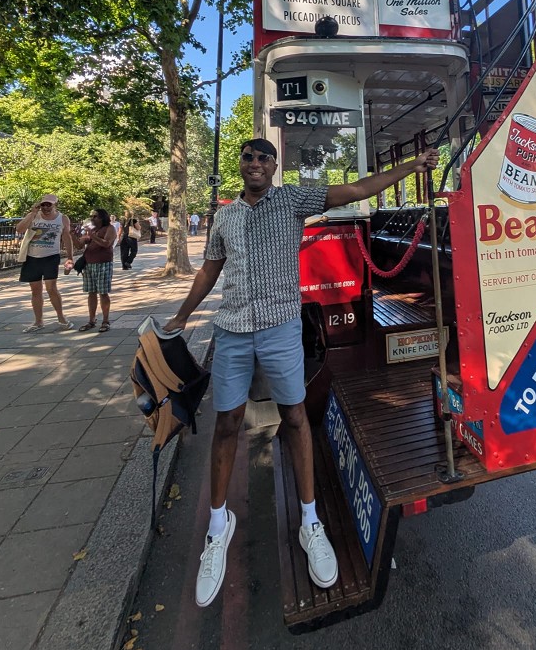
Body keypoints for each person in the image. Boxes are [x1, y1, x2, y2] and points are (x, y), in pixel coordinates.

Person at [163, 137, 440, 608]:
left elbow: (357, 190)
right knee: (227, 422)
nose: (255, 163)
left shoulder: (292, 200)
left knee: (294, 417)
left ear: (274, 166)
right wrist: (182, 315)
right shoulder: (224, 217)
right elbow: (209, 270)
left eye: (263, 158)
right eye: (247, 157)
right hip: (233, 330)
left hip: (281, 329)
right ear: (241, 164)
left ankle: (310, 521)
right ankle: (218, 525)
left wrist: (412, 165)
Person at [15, 194, 74, 334]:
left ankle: (61, 318)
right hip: (32, 257)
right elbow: (19, 229)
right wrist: (32, 214)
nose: (46, 207)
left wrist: (70, 257)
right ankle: (38, 321)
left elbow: (66, 236)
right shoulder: (34, 216)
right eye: (43, 205)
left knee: (51, 288)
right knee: (35, 290)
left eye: (49, 205)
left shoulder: (62, 218)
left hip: (51, 257)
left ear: (55, 205)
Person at [75, 207, 116, 332]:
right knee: (91, 292)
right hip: (89, 264)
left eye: (95, 216)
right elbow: (79, 246)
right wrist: (72, 234)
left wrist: (92, 236)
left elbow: (106, 243)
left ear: (102, 218)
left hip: (103, 263)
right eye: (91, 216)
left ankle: (105, 320)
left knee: (103, 292)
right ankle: (91, 320)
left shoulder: (109, 228)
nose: (92, 218)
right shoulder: (92, 230)